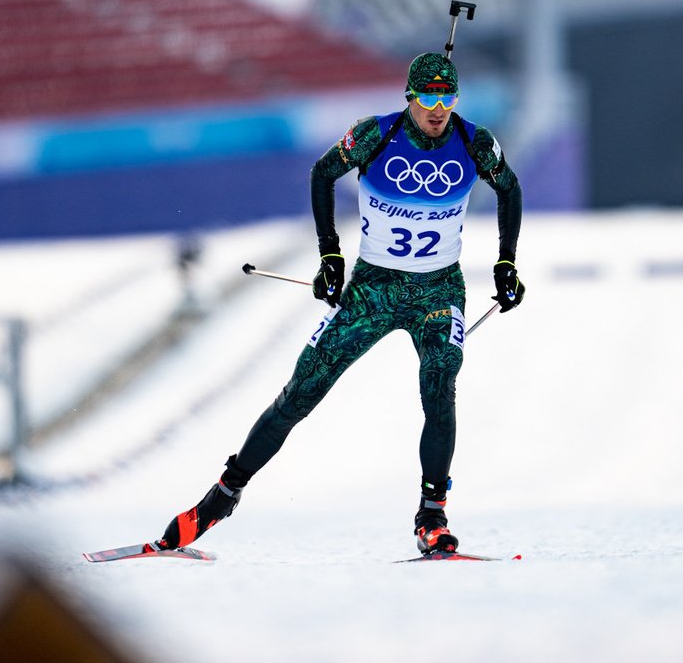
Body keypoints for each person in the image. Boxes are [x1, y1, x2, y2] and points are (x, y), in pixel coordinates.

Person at [155, 51, 525, 555]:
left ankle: (432, 515)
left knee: (440, 382)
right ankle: (221, 497)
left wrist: (507, 261)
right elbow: (322, 173)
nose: (439, 109)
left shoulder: (474, 141)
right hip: (372, 289)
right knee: (301, 392)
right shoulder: (376, 134)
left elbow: (509, 188)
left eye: (448, 97)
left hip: (438, 291)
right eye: (428, 97)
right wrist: (330, 252)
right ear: (410, 98)